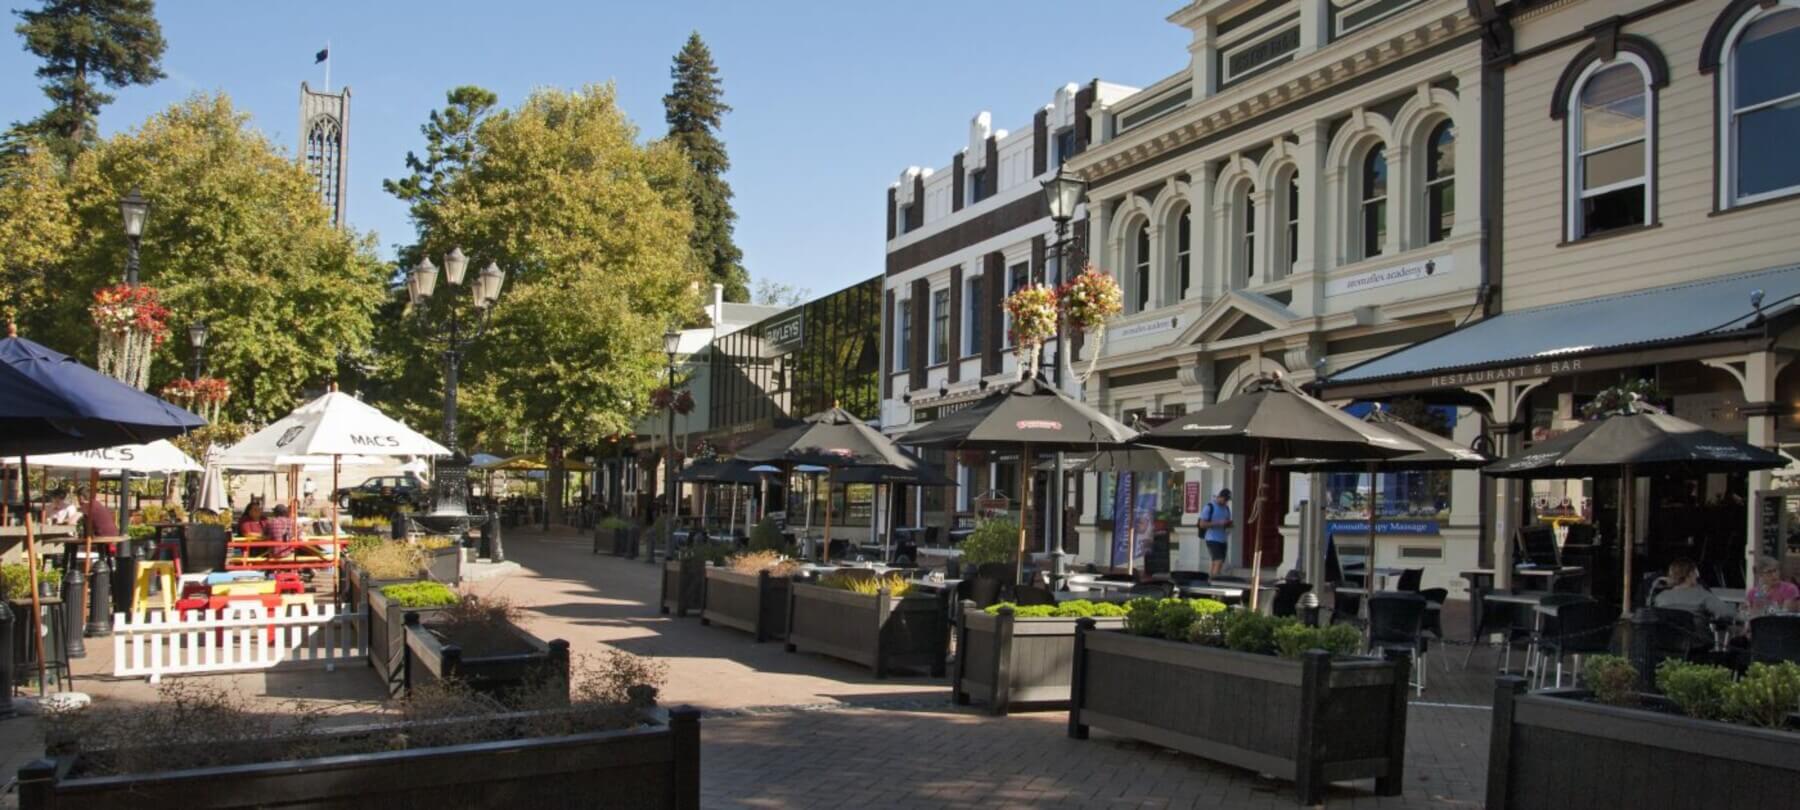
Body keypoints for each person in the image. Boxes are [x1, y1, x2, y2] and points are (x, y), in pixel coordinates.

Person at [1651, 558, 1735, 622]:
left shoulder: (1660, 598)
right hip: (1699, 642)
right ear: (1691, 574)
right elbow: (1728, 613)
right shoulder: (1702, 595)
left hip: (1666, 643)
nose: (1698, 576)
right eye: (1696, 572)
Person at [1197, 488, 1233, 576]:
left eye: (1227, 500)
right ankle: (1216, 580)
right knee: (1218, 560)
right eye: (1225, 499)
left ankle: (1211, 579)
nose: (1226, 502)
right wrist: (1218, 523)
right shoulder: (1210, 507)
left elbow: (1227, 521)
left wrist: (1228, 524)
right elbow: (1202, 524)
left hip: (1222, 539)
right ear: (1220, 497)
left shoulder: (1226, 509)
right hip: (1212, 538)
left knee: (1216, 562)